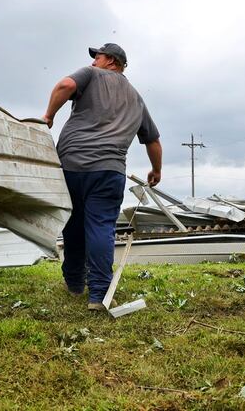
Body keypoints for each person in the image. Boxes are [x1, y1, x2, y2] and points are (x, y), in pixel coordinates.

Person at [42, 43, 162, 310]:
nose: (94, 61)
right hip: (109, 170)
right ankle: (99, 294)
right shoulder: (136, 97)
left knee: (73, 226)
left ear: (112, 62)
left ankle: (74, 284)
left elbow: (64, 86)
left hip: (72, 164)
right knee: (100, 228)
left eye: (98, 57)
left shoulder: (91, 74)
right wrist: (156, 170)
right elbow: (153, 140)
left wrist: (49, 116)